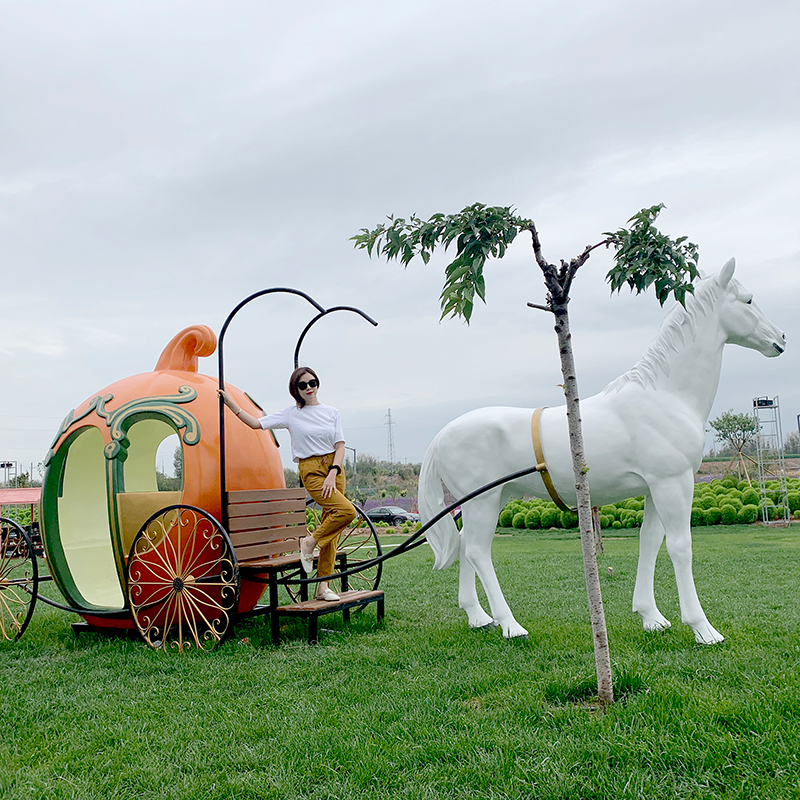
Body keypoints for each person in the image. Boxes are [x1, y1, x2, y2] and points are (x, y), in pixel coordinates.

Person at [218, 367, 356, 601]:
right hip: (311, 469)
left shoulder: (332, 412)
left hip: (334, 469)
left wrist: (334, 471)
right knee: (346, 512)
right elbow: (256, 423)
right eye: (303, 385)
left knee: (331, 529)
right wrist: (231, 404)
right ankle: (309, 542)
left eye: (312, 382)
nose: (309, 388)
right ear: (296, 390)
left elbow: (340, 445)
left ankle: (323, 587)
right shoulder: (291, 414)